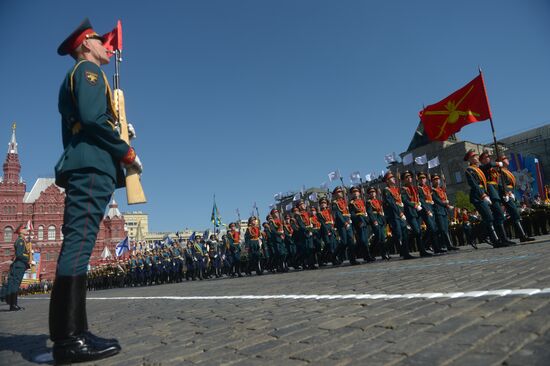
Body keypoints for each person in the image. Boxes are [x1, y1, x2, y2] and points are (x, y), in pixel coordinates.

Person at [51, 18, 142, 363]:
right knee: (79, 243)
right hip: (90, 165)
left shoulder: (87, 74)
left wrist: (118, 126)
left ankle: (77, 331)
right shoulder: (88, 72)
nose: (108, 45)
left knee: (83, 241)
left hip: (92, 165)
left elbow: (91, 118)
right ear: (85, 45)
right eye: (100, 40)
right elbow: (90, 118)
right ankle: (68, 339)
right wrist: (125, 149)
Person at [497, 155, 535, 242]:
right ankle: (521, 236)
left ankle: (521, 235)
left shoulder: (507, 171)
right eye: (505, 158)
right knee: (515, 214)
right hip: (506, 195)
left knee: (515, 214)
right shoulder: (500, 172)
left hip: (511, 194)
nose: (507, 159)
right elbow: (501, 184)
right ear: (501, 162)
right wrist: (507, 192)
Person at [382, 172, 416, 259]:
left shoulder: (396, 189)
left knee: (405, 233)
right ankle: (385, 248)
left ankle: (405, 253)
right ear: (387, 181)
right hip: (394, 215)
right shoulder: (386, 190)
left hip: (400, 214)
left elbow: (400, 201)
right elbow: (392, 203)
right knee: (398, 234)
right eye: (391, 178)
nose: (394, 179)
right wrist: (400, 213)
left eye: (394, 178)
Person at [4, 224, 31, 311]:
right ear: (20, 231)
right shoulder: (20, 241)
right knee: (15, 285)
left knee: (16, 285)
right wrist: (28, 259)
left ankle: (14, 304)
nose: (26, 229)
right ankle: (13, 305)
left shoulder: (22, 240)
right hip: (19, 265)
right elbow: (19, 254)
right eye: (24, 228)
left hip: (20, 265)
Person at [431, 174, 460, 251]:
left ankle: (448, 245)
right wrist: (446, 205)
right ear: (432, 181)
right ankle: (441, 245)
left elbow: (443, 198)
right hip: (438, 211)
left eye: (438, 179)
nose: (437, 180)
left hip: (443, 211)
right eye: (435, 179)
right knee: (442, 230)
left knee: (446, 229)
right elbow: (437, 200)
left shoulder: (441, 190)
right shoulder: (432, 191)